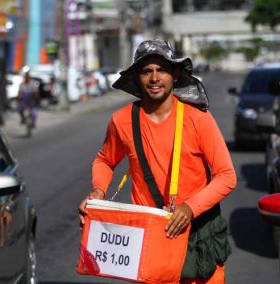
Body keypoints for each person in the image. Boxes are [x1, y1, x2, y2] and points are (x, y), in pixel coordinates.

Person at [78, 39, 237, 283]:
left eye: (161, 70)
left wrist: (190, 208)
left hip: (197, 237)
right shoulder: (121, 121)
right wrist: (98, 191)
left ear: (174, 74)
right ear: (137, 78)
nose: (154, 78)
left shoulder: (198, 119)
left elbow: (226, 175)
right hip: (149, 239)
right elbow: (104, 160)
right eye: (146, 71)